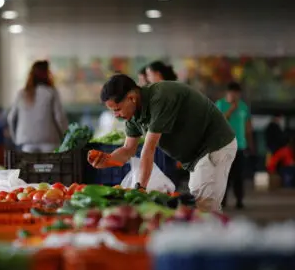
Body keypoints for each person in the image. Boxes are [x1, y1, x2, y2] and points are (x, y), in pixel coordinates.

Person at [89, 74, 236, 212]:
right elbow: (128, 149)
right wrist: (108, 160)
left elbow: (149, 149)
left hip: (214, 145)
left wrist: (140, 189)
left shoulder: (160, 98)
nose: (116, 115)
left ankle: (216, 238)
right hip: (196, 157)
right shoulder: (133, 115)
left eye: (117, 109)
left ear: (131, 98)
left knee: (206, 208)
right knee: (199, 206)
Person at [8, 60, 68, 153]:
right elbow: (59, 118)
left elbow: (11, 118)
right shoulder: (51, 92)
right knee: (51, 167)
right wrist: (66, 136)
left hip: (27, 143)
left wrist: (16, 138)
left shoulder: (22, 94)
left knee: (29, 167)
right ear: (46, 74)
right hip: (50, 141)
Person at [216, 82, 254, 209]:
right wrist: (231, 108)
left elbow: (248, 126)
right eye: (233, 93)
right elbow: (218, 122)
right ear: (227, 93)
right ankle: (222, 200)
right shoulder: (220, 104)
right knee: (224, 175)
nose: (235, 95)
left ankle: (239, 200)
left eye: (237, 93)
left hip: (240, 146)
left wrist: (250, 143)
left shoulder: (243, 106)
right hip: (224, 146)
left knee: (239, 175)